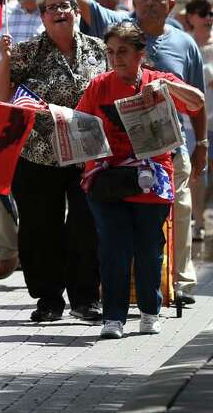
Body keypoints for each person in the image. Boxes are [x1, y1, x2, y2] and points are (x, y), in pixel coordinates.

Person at [50, 0, 208, 306]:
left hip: (169, 149)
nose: (150, 4)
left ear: (171, 5)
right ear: (132, 3)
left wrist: (201, 145)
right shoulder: (119, 26)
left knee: (178, 216)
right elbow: (79, 0)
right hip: (117, 155)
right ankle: (128, 297)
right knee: (120, 232)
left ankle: (178, 285)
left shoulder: (184, 43)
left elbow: (197, 100)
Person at [76, 21, 205, 338]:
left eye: (123, 51)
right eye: (110, 52)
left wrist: (166, 89)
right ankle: (113, 318)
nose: (116, 58)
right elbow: (80, 123)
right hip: (107, 180)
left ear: (140, 54)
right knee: (113, 249)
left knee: (149, 250)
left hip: (152, 180)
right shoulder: (99, 86)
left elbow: (197, 100)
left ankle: (150, 311)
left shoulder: (157, 80)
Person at [0, 0, 106, 322]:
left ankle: (86, 298)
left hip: (87, 154)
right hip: (39, 154)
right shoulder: (27, 51)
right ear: (41, 16)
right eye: (50, 7)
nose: (58, 12)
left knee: (86, 225)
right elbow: (0, 97)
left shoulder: (98, 50)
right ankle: (49, 299)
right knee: (40, 227)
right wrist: (5, 61)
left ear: (74, 11)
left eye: (64, 5)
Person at [181, 0, 213, 241]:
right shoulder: (186, 46)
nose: (209, 18)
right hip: (194, 122)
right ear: (191, 17)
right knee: (197, 174)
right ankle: (199, 221)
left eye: (211, 13)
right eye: (203, 13)